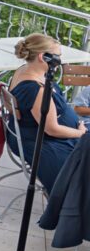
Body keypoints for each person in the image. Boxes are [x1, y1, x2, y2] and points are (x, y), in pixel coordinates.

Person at [7, 34, 86, 193]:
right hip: (41, 142)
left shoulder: (23, 70)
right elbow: (51, 129)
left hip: (26, 134)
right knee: (82, 169)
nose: (60, 62)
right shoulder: (37, 89)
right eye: (57, 57)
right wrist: (80, 134)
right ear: (43, 57)